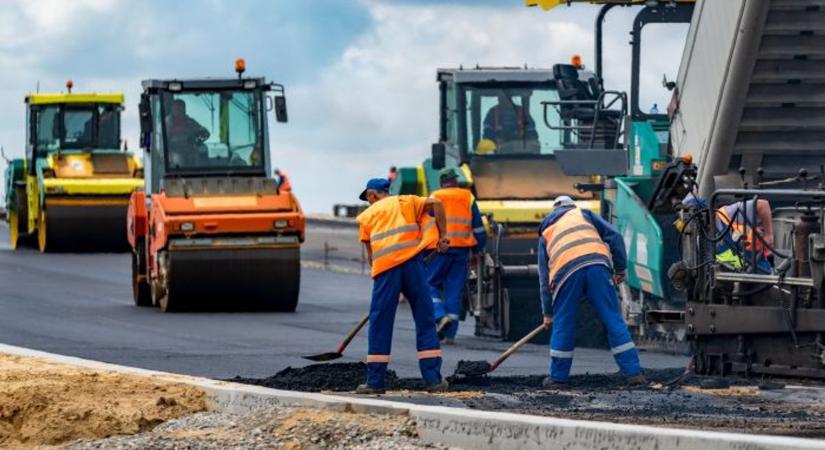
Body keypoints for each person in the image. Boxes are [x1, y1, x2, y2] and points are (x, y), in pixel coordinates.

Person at [355, 178, 451, 394]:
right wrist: (443, 235)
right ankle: (434, 380)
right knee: (425, 318)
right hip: (413, 265)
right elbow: (437, 204)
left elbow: (371, 257)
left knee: (380, 321)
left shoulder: (367, 216)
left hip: (386, 270)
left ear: (372, 195)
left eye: (368, 198)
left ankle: (375, 382)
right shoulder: (406, 201)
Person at [538, 196, 644, 388]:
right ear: (572, 207)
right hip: (597, 266)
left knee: (564, 322)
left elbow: (544, 279)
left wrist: (548, 313)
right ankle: (633, 373)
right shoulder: (584, 215)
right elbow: (616, 237)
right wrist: (620, 269)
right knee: (613, 319)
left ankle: (557, 378)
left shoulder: (547, 231)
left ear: (554, 211)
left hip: (565, 272)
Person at [426, 168, 487, 344]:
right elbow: (478, 228)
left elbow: (427, 222)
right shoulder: (468, 197)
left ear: (441, 182)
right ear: (456, 181)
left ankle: (439, 315)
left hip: (439, 249)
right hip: (462, 251)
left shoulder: (434, 196)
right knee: (454, 289)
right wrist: (478, 249)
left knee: (428, 284)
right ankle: (450, 335)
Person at [683, 194, 774, 272]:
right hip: (729, 280)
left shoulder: (728, 214)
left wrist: (768, 235)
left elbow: (762, 204)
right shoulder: (699, 238)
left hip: (758, 270)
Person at [166, 99, 210, 167]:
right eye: (177, 108)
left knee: (203, 150)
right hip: (173, 152)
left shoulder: (190, 122)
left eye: (181, 108)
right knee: (179, 159)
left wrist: (200, 135)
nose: (179, 110)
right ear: (172, 109)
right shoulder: (166, 124)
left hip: (190, 149)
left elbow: (203, 131)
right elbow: (161, 143)